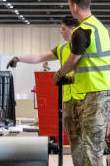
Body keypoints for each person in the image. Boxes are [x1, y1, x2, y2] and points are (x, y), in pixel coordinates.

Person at [53, 0, 110, 166]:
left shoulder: (83, 31)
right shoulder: (99, 26)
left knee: (91, 135)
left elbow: (74, 60)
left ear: (74, 6)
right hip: (96, 87)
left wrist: (59, 74)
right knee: (85, 133)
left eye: (69, 6)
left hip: (98, 89)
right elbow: (90, 63)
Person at [8, 15, 80, 148]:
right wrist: (18, 58)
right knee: (74, 138)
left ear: (73, 29)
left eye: (64, 29)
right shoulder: (62, 49)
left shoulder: (86, 47)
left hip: (86, 98)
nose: (61, 32)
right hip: (70, 99)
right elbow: (39, 57)